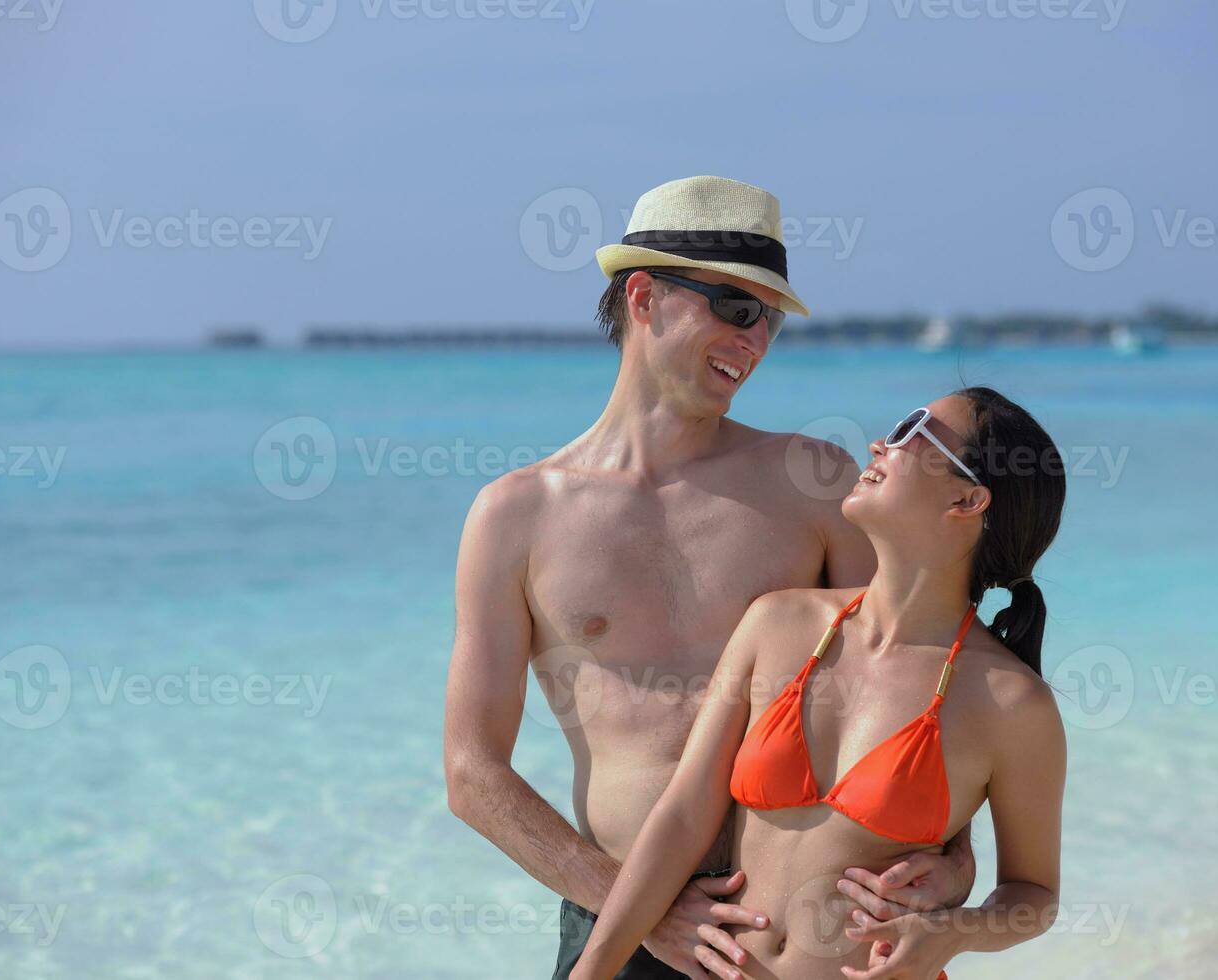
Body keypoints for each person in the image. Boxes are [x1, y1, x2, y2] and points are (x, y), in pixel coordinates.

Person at [443, 176, 977, 978]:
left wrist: (958, 863)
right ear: (645, 296)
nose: (755, 339)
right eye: (734, 308)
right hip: (623, 931)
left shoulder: (813, 482)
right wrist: (640, 909)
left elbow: (927, 691)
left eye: (769, 319)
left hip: (809, 928)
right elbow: (472, 773)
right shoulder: (516, 515)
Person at [568, 390, 1068, 980]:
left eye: (915, 431)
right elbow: (682, 816)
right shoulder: (777, 622)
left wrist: (952, 933)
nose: (883, 442)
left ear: (966, 498)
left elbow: (1032, 895)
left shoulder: (1012, 703)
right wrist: (591, 970)